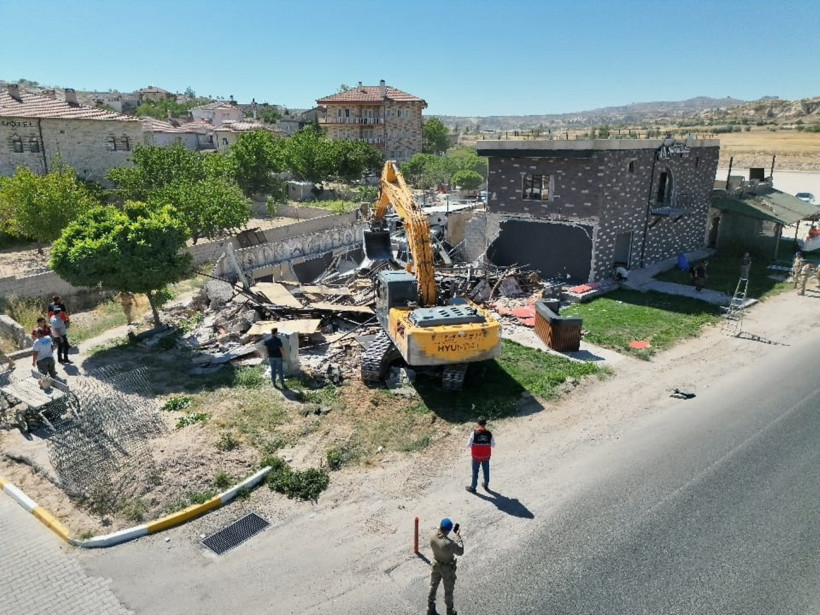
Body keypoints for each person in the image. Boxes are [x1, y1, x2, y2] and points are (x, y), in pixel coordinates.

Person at [428, 517, 464, 615]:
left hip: (436, 564)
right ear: (448, 531)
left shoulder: (432, 536)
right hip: (447, 569)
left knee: (433, 585)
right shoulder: (448, 544)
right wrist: (458, 537)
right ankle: (449, 610)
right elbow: (460, 551)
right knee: (448, 590)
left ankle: (430, 605)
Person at [466, 416, 495, 493]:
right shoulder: (489, 434)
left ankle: (473, 487)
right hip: (486, 456)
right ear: (485, 424)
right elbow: (493, 445)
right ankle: (486, 484)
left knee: (475, 471)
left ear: (478, 423)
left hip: (476, 456)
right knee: (486, 470)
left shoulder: (474, 433)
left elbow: (468, 444)